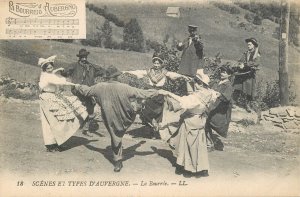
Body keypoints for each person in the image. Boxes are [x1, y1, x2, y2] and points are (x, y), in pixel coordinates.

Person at [74, 65, 159, 172]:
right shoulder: (125, 87)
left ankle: (117, 160)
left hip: (109, 117)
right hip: (124, 116)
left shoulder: (99, 86)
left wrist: (77, 86)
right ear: (116, 77)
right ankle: (117, 160)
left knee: (115, 136)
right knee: (118, 135)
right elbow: (142, 93)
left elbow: (86, 91)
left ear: (107, 77)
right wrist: (158, 92)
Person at [158, 71, 219, 178]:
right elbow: (215, 94)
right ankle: (201, 167)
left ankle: (187, 168)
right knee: (199, 145)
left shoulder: (196, 98)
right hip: (200, 121)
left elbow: (182, 100)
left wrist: (168, 93)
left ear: (200, 84)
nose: (194, 84)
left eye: (196, 82)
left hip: (191, 121)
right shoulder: (209, 93)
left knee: (186, 144)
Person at [124, 53, 187, 137]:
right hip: (150, 92)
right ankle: (152, 125)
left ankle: (154, 132)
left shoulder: (165, 72)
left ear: (161, 64)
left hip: (159, 95)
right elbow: (139, 72)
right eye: (155, 63)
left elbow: (174, 75)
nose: (156, 65)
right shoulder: (149, 71)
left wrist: (183, 76)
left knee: (158, 113)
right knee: (144, 108)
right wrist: (126, 72)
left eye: (158, 63)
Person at [38, 56, 88, 152]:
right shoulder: (47, 77)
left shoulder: (47, 74)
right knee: (52, 122)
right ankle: (51, 145)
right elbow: (61, 81)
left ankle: (58, 142)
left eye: (51, 67)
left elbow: (51, 73)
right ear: (44, 69)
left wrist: (57, 70)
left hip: (51, 96)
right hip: (47, 98)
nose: (50, 69)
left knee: (56, 121)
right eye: (48, 68)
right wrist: (75, 85)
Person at [61, 49, 106, 136]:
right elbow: (65, 73)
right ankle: (73, 126)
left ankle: (86, 129)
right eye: (82, 57)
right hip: (77, 90)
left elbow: (102, 71)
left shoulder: (92, 66)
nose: (84, 59)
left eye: (85, 57)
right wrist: (63, 72)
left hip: (88, 90)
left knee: (90, 108)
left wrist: (101, 74)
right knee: (77, 107)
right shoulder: (74, 66)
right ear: (79, 57)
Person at [205, 66, 234, 151]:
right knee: (205, 121)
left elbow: (226, 98)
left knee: (207, 122)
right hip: (212, 107)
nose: (222, 73)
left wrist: (219, 94)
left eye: (224, 72)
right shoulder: (217, 82)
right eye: (221, 71)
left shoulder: (228, 85)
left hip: (220, 110)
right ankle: (209, 143)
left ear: (229, 75)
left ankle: (210, 144)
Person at [233, 38, 261, 113]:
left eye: (250, 44)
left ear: (254, 45)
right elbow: (241, 60)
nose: (248, 46)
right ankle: (233, 102)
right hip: (242, 73)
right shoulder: (246, 53)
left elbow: (256, 63)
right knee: (237, 86)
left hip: (249, 74)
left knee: (249, 90)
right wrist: (240, 64)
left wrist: (245, 65)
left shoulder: (256, 54)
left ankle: (247, 105)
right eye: (247, 44)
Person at [176, 25, 204, 94]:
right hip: (186, 65)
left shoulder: (198, 39)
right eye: (190, 31)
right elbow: (181, 48)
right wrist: (179, 45)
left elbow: (200, 47)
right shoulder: (187, 39)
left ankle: (196, 96)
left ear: (196, 31)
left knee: (195, 82)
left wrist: (197, 41)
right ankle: (189, 95)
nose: (192, 32)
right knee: (187, 81)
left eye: (193, 31)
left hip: (194, 65)